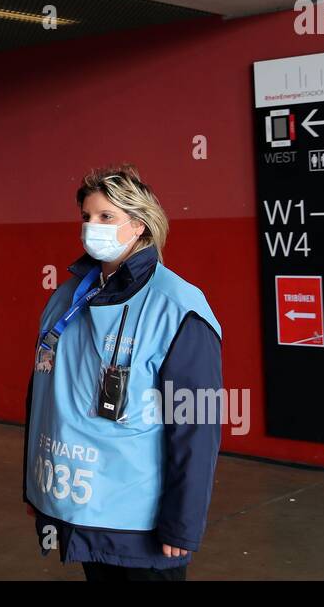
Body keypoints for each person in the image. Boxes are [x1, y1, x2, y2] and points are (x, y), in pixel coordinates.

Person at [23, 165, 223, 581]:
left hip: (140, 522)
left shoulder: (178, 307)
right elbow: (42, 396)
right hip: (80, 504)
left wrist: (182, 522)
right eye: (86, 217)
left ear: (139, 225)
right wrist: (35, 484)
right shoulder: (65, 300)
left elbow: (196, 425)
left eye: (105, 217)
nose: (90, 228)